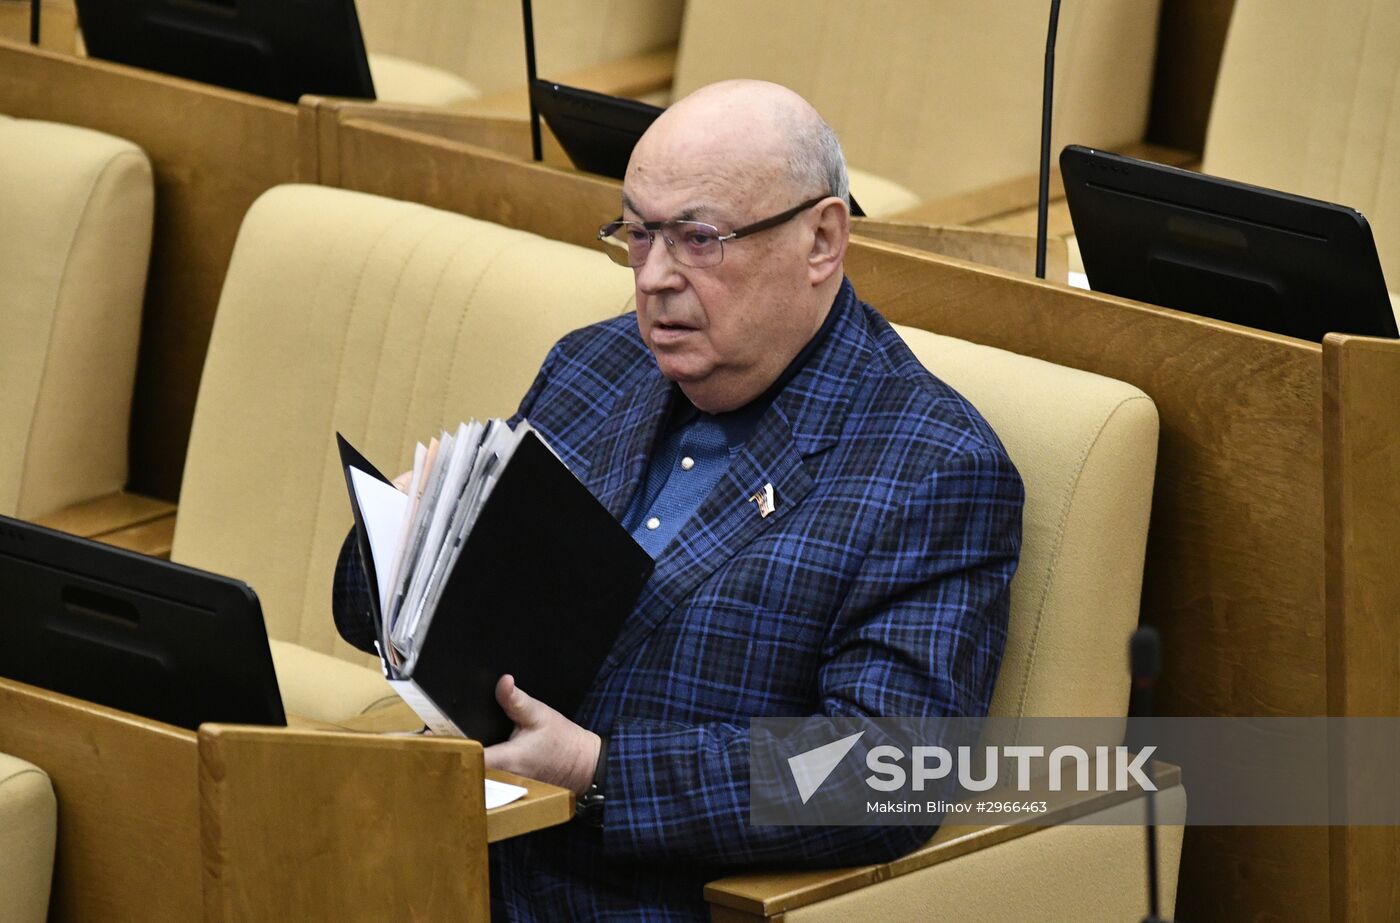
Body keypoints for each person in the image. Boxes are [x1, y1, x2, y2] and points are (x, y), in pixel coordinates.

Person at [333, 79, 1023, 921]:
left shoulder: (932, 466)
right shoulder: (595, 366)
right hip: (442, 855)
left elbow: (879, 771)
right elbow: (395, 616)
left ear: (822, 239)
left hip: (645, 896)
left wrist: (598, 770)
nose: (654, 278)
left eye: (699, 238)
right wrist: (407, 544)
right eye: (636, 232)